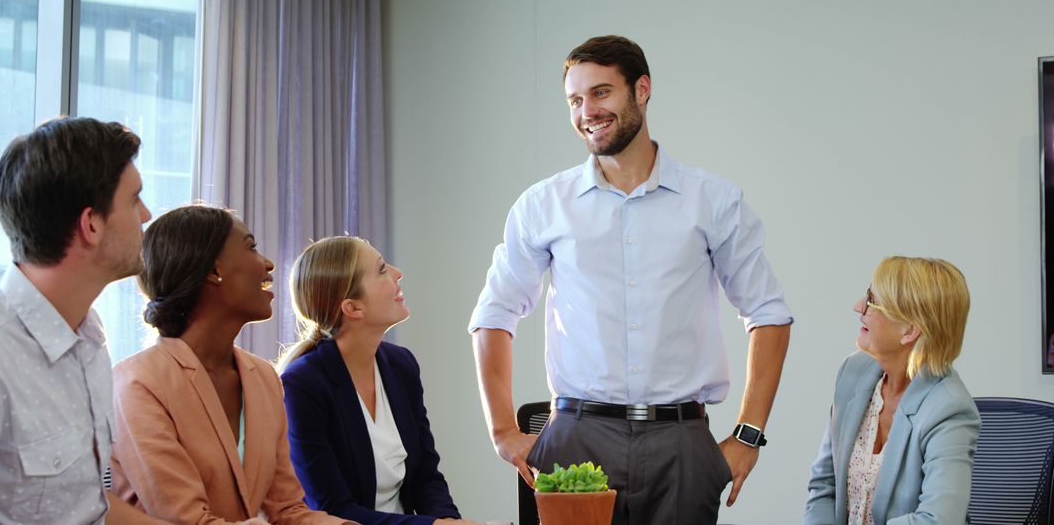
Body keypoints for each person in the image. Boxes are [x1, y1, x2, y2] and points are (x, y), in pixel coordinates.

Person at [469, 35, 793, 524]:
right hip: (576, 439)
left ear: (642, 90)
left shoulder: (713, 201)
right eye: (575, 100)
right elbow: (494, 314)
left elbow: (768, 315)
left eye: (601, 93)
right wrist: (500, 429)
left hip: (681, 444)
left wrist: (748, 434)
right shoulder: (543, 206)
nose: (586, 112)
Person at [0, 117, 168, 524]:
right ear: (91, 224)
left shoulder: (88, 338)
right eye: (135, 200)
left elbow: (88, 506)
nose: (147, 214)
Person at [109, 205, 354, 525]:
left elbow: (287, 511)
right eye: (251, 247)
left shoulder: (264, 377)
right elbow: (189, 521)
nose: (268, 264)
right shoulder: (138, 383)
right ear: (214, 271)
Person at [277, 237, 474, 525]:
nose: (397, 272)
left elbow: (425, 476)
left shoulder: (402, 365)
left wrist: (449, 520)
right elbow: (332, 509)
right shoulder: (303, 385)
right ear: (352, 308)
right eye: (382, 269)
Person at [803, 257, 980, 524]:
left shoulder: (948, 409)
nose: (858, 307)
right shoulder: (852, 373)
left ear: (909, 330)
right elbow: (824, 487)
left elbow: (937, 520)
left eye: (872, 301)